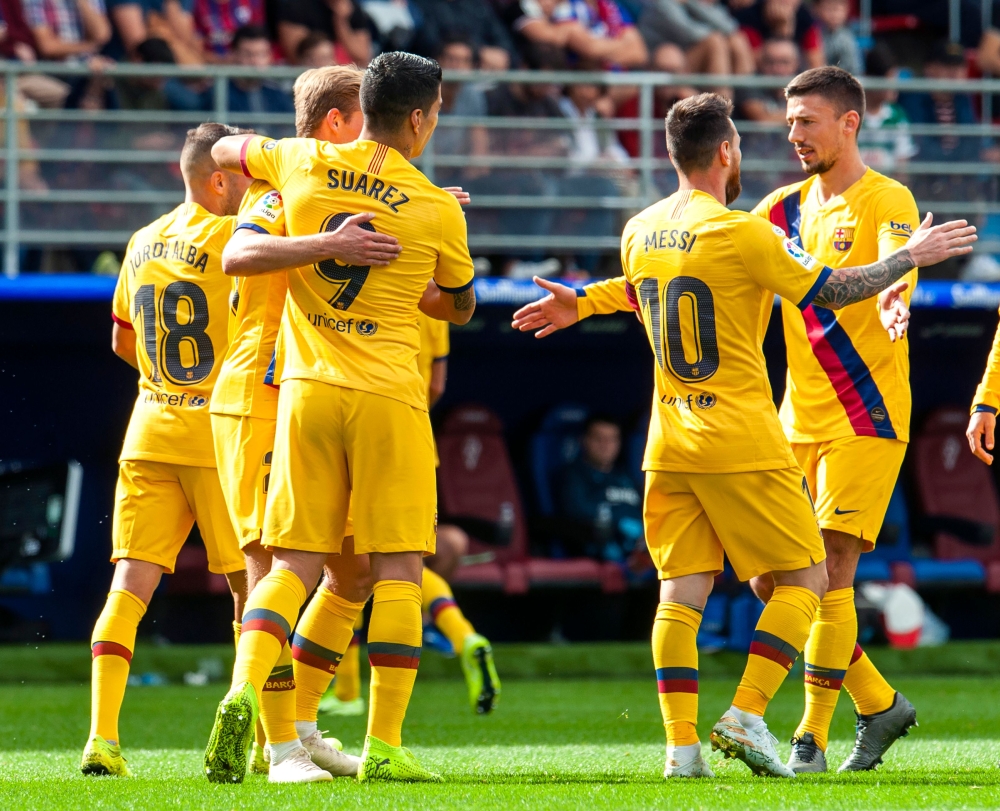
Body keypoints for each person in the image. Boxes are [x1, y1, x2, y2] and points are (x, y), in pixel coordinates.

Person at [512, 68, 979, 776]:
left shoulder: (889, 197)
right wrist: (591, 297)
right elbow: (739, 272)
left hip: (864, 409)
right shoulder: (772, 213)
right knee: (782, 584)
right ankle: (877, 701)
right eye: (787, 123)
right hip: (782, 417)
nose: (791, 135)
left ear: (849, 123)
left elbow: (889, 269)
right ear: (724, 151)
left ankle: (810, 738)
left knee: (831, 572)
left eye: (805, 122)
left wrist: (902, 282)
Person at [204, 51, 476, 784]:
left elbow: (225, 147)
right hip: (368, 392)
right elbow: (459, 303)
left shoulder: (293, 163)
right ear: (418, 116)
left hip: (303, 388)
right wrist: (413, 230)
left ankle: (266, 708)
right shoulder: (433, 204)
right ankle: (354, 739)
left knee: (319, 569)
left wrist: (262, 159)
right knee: (394, 567)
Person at [210, 65, 392, 784]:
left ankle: (302, 723)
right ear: (339, 123)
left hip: (310, 396)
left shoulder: (342, 188)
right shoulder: (280, 186)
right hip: (259, 394)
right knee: (270, 570)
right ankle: (274, 742)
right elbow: (239, 254)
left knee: (355, 569)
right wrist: (327, 245)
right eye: (365, 120)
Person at [79, 122, 255, 778]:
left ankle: (103, 737)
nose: (250, 185)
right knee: (250, 588)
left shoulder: (142, 238)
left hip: (150, 428)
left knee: (128, 585)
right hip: (220, 436)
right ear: (217, 179)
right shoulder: (238, 238)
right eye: (241, 173)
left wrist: (166, 383)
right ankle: (264, 739)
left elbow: (125, 341)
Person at [556, 414, 644, 563]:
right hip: (601, 552)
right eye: (598, 438)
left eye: (612, 439)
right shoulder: (574, 476)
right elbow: (578, 515)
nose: (605, 445)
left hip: (641, 553)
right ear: (584, 440)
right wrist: (620, 521)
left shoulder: (626, 477)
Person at [274, 0, 372, 66]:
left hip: (340, 79)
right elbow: (298, 58)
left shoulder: (350, 8)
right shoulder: (294, 5)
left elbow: (362, 59)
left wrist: (341, 22)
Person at [226, 25, 295, 117]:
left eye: (261, 55)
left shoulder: (278, 96)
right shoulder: (218, 95)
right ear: (234, 55)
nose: (254, 61)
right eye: (247, 54)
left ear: (270, 57)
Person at [812, 0, 860, 75]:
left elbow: (854, 69)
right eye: (829, 9)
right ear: (817, 9)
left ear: (846, 10)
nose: (833, 15)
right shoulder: (813, 33)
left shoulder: (848, 38)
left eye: (837, 9)